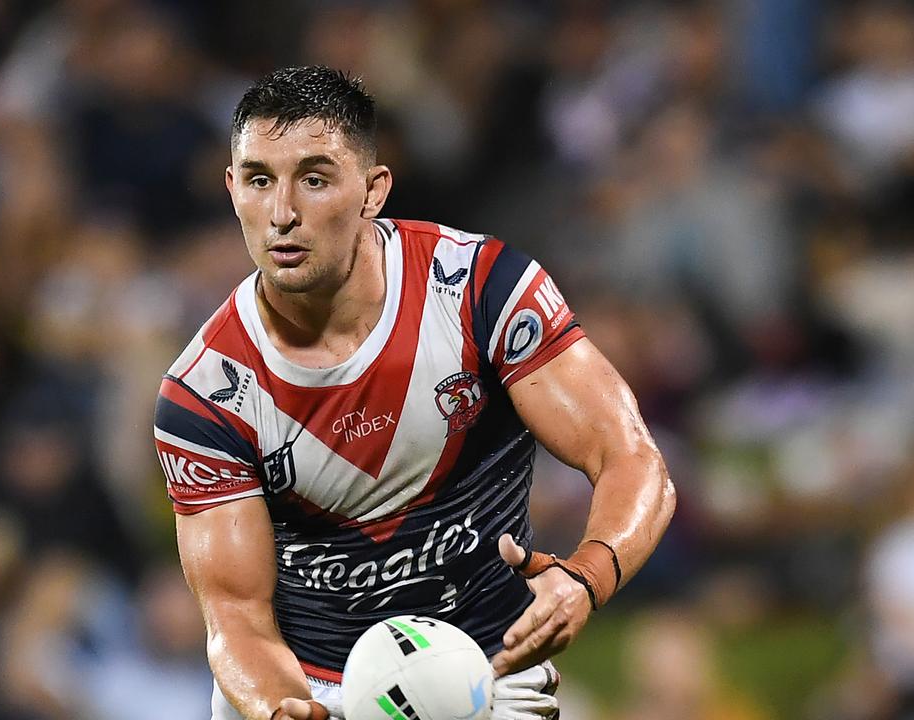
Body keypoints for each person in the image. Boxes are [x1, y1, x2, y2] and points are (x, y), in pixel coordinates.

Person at [153, 66, 676, 720]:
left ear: (373, 191)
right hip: (307, 686)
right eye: (260, 180)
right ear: (232, 189)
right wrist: (280, 708)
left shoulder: (482, 292)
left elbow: (631, 458)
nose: (282, 213)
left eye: (314, 179)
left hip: (485, 673)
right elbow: (234, 616)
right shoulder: (204, 395)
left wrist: (586, 577)